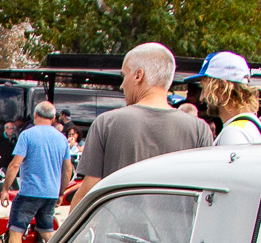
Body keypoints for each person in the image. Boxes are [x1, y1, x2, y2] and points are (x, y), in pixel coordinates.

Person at [71, 42, 212, 208]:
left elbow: (88, 193)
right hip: (178, 232)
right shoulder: (199, 130)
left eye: (124, 76)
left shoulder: (106, 124)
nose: (122, 85)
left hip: (116, 231)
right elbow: (206, 196)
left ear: (138, 75)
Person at [2, 101, 73, 243]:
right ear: (54, 117)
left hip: (29, 192)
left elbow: (15, 165)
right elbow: (68, 169)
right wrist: (61, 192)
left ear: (35, 114)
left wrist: (5, 189)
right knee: (47, 231)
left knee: (16, 231)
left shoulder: (27, 135)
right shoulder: (62, 138)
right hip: (51, 193)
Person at [190, 51, 261, 144]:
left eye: (204, 89)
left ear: (221, 89)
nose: (202, 97)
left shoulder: (234, 133)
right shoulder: (250, 125)